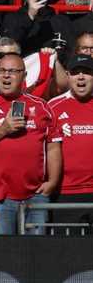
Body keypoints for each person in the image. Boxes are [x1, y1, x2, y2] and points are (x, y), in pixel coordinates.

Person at [0, 50, 59, 235]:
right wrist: (3, 129)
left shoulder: (41, 107)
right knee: (3, 255)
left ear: (24, 76)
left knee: (37, 253)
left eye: (13, 71)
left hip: (36, 196)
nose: (6, 75)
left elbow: (53, 147)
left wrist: (53, 182)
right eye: (2, 70)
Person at [49, 53, 93, 229]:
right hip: (65, 193)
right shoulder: (53, 107)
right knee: (67, 253)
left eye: (87, 72)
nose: (81, 77)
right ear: (67, 76)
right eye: (76, 72)